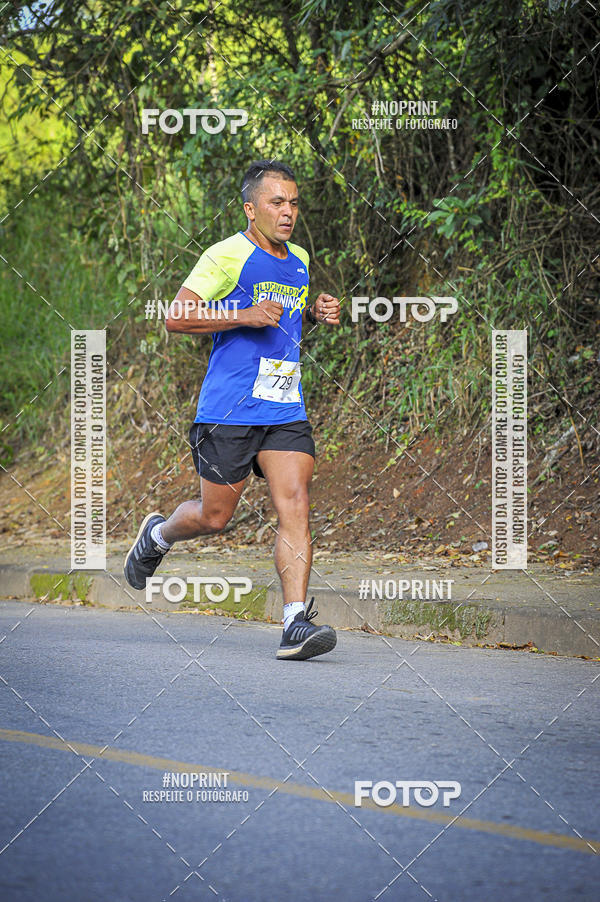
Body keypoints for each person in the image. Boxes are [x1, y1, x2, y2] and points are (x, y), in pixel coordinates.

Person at [124, 160, 341, 660]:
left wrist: (314, 312)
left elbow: (287, 314)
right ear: (251, 208)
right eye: (276, 202)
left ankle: (294, 623)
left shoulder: (300, 258)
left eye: (293, 203)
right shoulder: (226, 255)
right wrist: (242, 314)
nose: (288, 212)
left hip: (284, 404)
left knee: (296, 501)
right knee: (215, 516)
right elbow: (176, 318)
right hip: (230, 408)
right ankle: (158, 534)